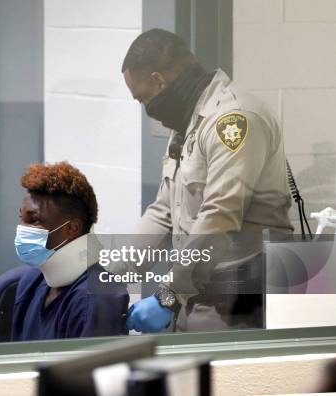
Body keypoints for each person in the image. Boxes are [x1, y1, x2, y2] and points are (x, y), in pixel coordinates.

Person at [117, 29, 293, 332]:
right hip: (196, 291)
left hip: (237, 300)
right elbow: (163, 212)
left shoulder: (234, 120)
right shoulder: (189, 122)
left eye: (142, 98)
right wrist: (111, 274)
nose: (145, 108)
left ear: (159, 81)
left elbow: (219, 216)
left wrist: (167, 297)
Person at [11, 162, 128, 341]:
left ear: (72, 228)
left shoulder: (99, 297)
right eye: (22, 219)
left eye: (34, 221)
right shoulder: (31, 281)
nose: (22, 229)